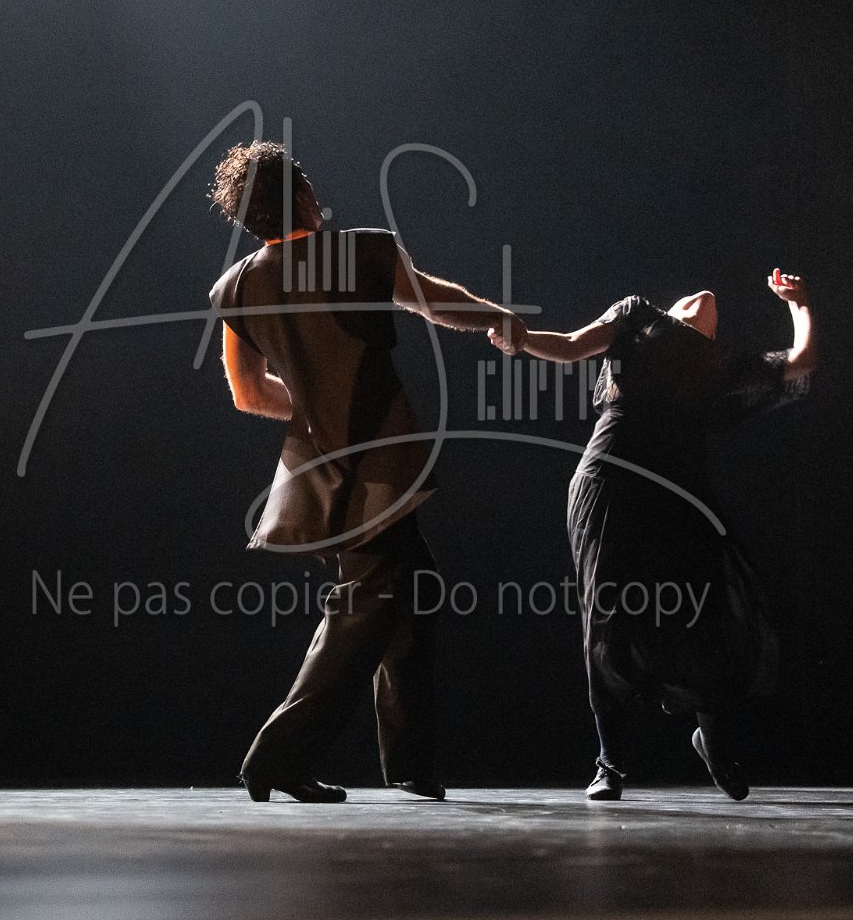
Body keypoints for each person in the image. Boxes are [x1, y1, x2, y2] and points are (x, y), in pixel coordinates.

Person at [207, 140, 526, 802]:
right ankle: (276, 757)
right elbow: (434, 301)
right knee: (362, 606)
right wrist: (495, 315)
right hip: (379, 462)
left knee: (415, 588)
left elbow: (247, 393)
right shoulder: (363, 251)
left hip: (319, 472)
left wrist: (314, 407)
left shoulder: (234, 287)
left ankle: (408, 761)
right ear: (300, 194)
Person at [490, 271, 815, 801]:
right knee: (608, 618)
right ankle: (610, 763)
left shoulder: (720, 367)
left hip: (678, 493)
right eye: (687, 300)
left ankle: (713, 742)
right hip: (611, 477)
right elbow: (571, 345)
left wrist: (799, 303)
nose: (703, 296)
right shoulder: (637, 315)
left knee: (702, 613)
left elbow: (801, 362)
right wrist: (522, 339)